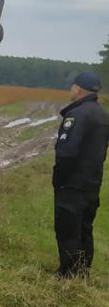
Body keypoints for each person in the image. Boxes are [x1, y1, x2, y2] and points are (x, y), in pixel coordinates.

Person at [52, 71, 109, 278]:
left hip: (73, 184)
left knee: (68, 228)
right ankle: (82, 271)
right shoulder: (102, 115)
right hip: (92, 183)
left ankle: (68, 274)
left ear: (78, 89)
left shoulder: (76, 115)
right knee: (85, 227)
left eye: (72, 86)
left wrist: (59, 179)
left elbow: (67, 153)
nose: (71, 90)